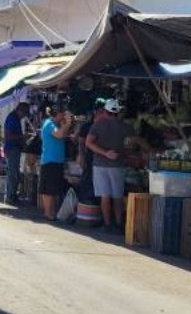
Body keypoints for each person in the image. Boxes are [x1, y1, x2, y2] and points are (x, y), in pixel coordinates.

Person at [85, 98, 146, 232]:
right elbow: (133, 143)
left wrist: (105, 152)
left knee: (105, 196)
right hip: (117, 165)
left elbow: (88, 143)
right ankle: (118, 224)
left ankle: (107, 224)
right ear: (118, 112)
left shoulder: (98, 125)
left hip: (100, 165)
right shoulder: (125, 127)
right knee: (117, 195)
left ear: (105, 111)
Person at [39, 106, 73, 220]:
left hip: (57, 161)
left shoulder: (57, 125)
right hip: (50, 161)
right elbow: (59, 134)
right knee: (48, 189)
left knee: (54, 189)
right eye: (62, 114)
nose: (63, 116)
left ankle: (51, 213)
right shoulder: (49, 124)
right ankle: (48, 213)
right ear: (56, 114)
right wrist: (67, 123)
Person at [3, 102, 29, 205]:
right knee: (12, 174)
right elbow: (8, 136)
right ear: (20, 110)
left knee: (14, 173)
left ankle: (12, 195)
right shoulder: (12, 118)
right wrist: (23, 137)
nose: (24, 116)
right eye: (25, 113)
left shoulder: (16, 118)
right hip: (11, 149)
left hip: (14, 149)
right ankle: (9, 197)